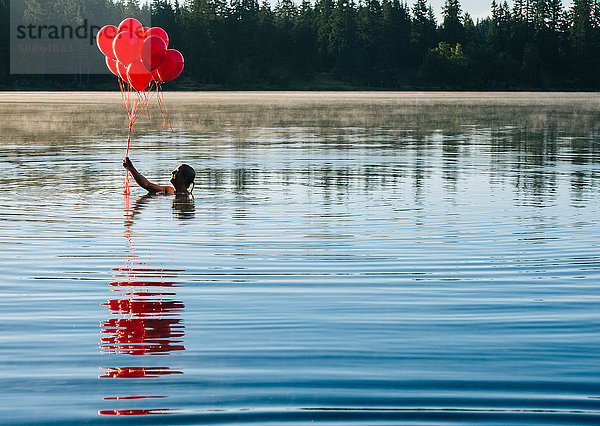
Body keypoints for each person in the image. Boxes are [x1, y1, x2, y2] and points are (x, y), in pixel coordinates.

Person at [123, 157, 195, 195]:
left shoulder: (183, 197)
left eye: (177, 172)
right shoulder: (170, 191)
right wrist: (131, 169)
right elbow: (147, 185)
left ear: (184, 178)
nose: (172, 172)